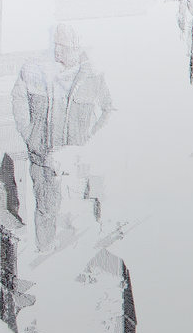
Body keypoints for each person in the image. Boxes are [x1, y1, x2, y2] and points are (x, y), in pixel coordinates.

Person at [11, 24, 116, 253]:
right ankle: (45, 251)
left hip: (76, 159)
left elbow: (109, 109)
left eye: (64, 47)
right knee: (45, 208)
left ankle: (85, 254)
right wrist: (29, 134)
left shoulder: (94, 74)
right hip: (43, 156)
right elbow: (18, 98)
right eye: (56, 45)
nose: (58, 51)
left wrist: (90, 139)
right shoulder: (34, 69)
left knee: (80, 212)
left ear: (77, 48)